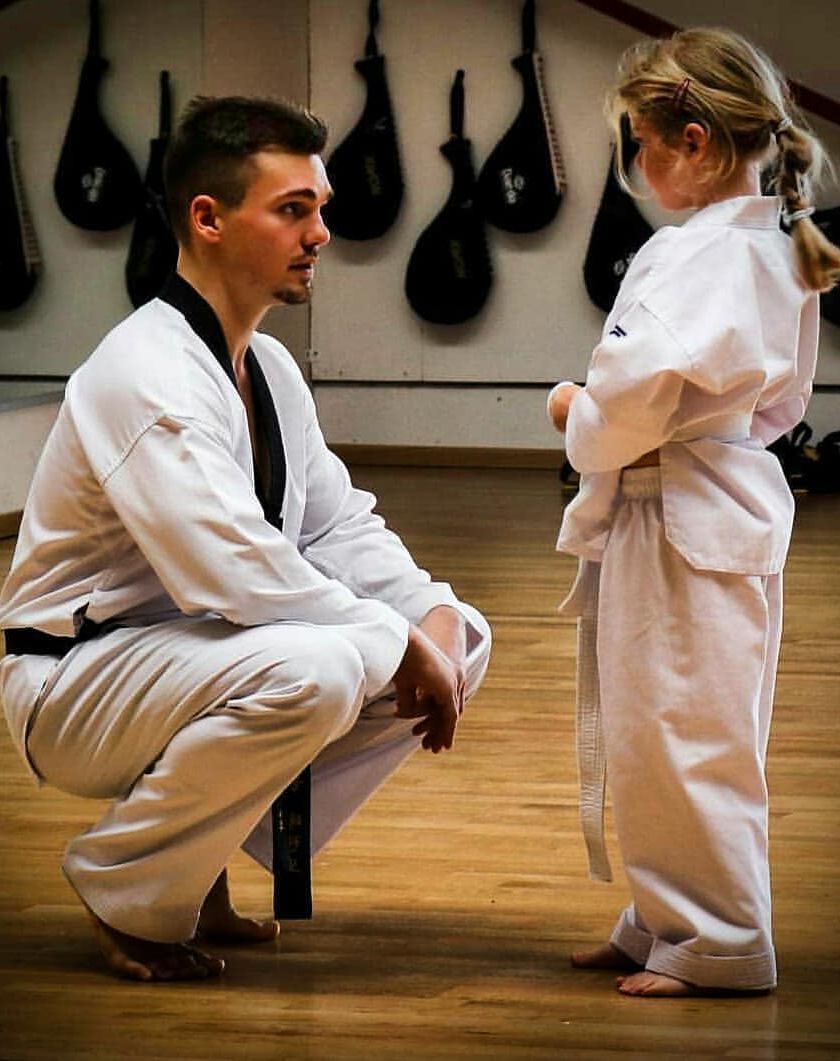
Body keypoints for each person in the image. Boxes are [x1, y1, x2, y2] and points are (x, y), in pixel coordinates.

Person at [0, 96, 491, 983]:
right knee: (327, 664)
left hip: (183, 659)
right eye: (293, 209)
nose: (320, 234)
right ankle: (125, 881)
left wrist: (430, 612)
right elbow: (235, 572)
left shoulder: (266, 364)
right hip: (73, 680)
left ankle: (192, 857)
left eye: (321, 208)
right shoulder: (149, 373)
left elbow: (334, 525)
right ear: (208, 219)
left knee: (457, 639)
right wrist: (395, 639)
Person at [547, 28, 840, 998]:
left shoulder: (702, 250)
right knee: (666, 728)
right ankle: (666, 916)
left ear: (696, 143)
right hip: (712, 496)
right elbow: (780, 402)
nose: (638, 165)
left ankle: (719, 938)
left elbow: (632, 397)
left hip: (678, 509)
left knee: (685, 735)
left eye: (642, 143)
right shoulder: (776, 239)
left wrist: (574, 412)